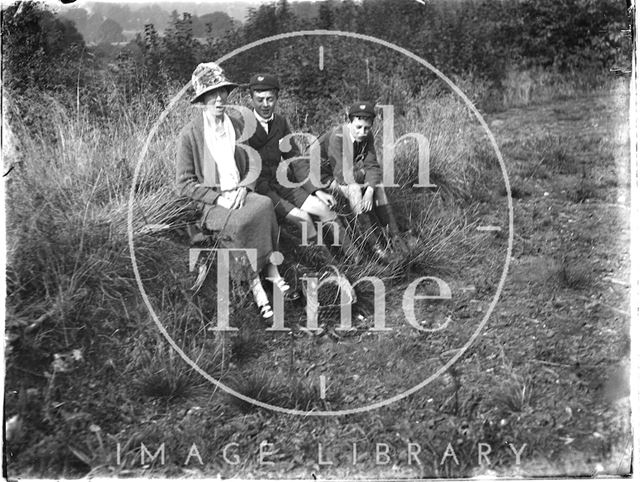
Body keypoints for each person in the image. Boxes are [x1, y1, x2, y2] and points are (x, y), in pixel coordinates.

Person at [176, 62, 291, 321]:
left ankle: (271, 270)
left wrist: (244, 187)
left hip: (239, 191)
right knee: (238, 223)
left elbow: (252, 163)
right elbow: (183, 183)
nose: (219, 99)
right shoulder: (190, 135)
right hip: (212, 203)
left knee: (262, 205)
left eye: (223, 92)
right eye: (211, 94)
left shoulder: (237, 124)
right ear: (201, 99)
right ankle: (255, 286)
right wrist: (218, 197)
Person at [246, 73, 351, 250]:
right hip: (259, 189)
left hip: (280, 182)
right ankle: (330, 265)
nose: (265, 105)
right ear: (251, 99)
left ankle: (358, 260)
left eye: (270, 99)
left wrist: (316, 191)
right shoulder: (243, 124)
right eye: (260, 99)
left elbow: (295, 159)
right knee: (304, 218)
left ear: (277, 98)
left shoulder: (280, 122)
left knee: (324, 209)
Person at [315, 101, 409, 262]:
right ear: (349, 121)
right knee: (354, 190)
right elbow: (342, 176)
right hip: (319, 178)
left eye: (367, 128)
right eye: (358, 127)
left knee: (377, 186)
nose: (362, 132)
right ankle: (375, 248)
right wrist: (362, 179)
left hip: (340, 173)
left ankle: (396, 239)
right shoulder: (337, 137)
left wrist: (370, 190)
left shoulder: (367, 136)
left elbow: (372, 165)